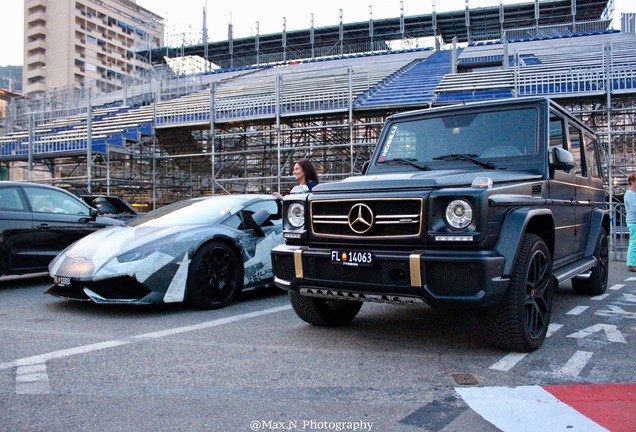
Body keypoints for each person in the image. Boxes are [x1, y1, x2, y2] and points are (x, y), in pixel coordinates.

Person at [625, 173, 636, 272]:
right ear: (632, 181)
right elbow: (634, 208)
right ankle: (632, 264)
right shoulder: (629, 193)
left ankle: (633, 263)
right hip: (633, 221)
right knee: (634, 243)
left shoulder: (633, 193)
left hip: (633, 220)